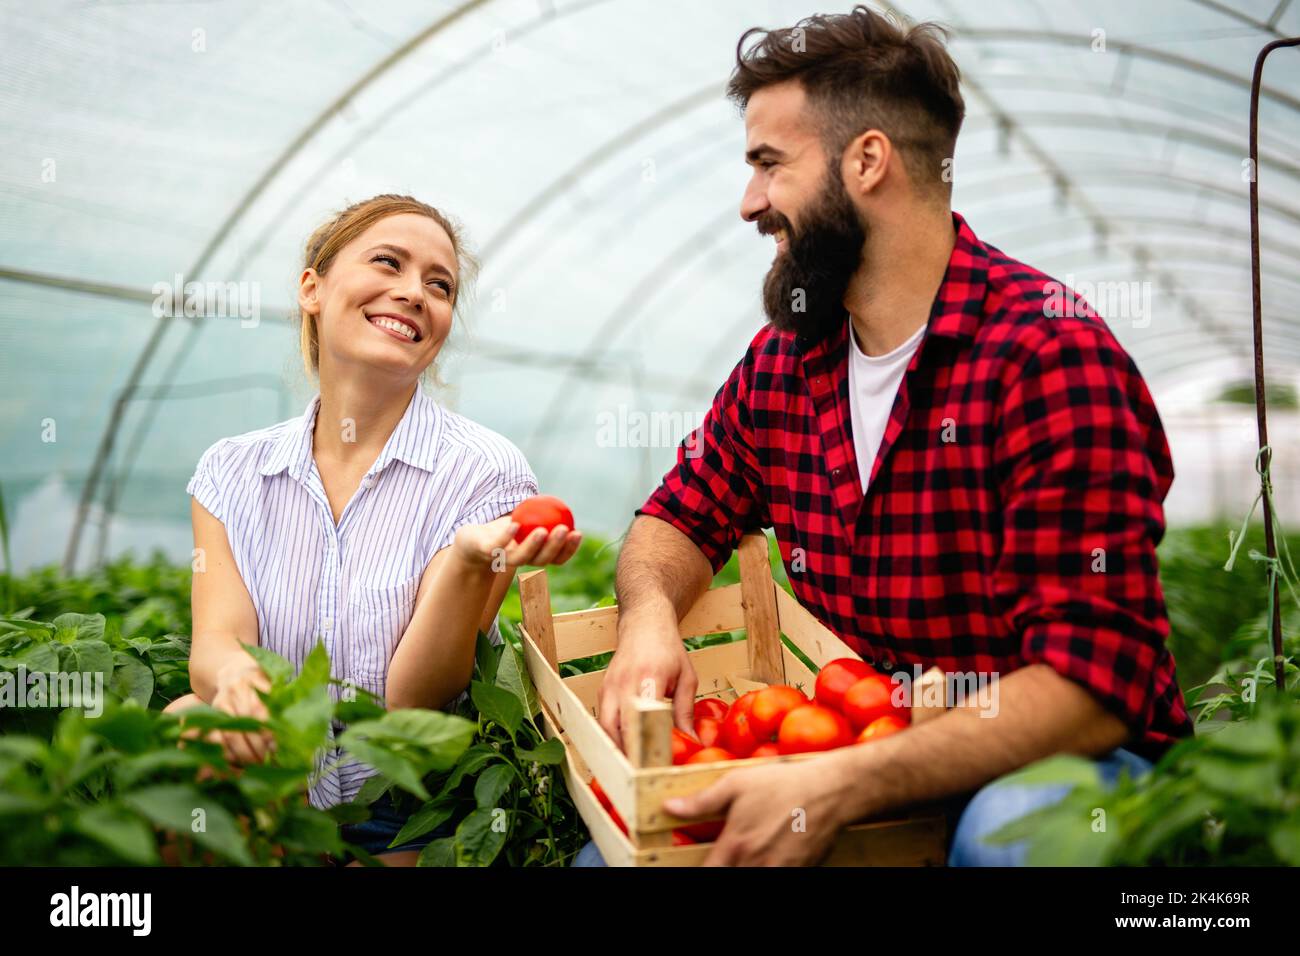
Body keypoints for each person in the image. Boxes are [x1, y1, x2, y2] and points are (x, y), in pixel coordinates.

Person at [575, 7, 1192, 867]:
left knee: (1012, 839)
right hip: (851, 748)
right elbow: (679, 516)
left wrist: (843, 781)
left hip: (1050, 764)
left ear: (867, 160)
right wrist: (649, 618)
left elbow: (1093, 688)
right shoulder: (788, 360)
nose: (750, 201)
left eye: (768, 165)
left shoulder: (1046, 357)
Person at [166, 194, 581, 865]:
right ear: (313, 288)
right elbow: (214, 643)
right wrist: (238, 678)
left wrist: (469, 562)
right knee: (187, 722)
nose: (415, 293)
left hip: (401, 803)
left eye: (439, 284)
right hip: (273, 775)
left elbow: (415, 698)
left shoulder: (485, 473)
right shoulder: (232, 472)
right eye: (388, 262)